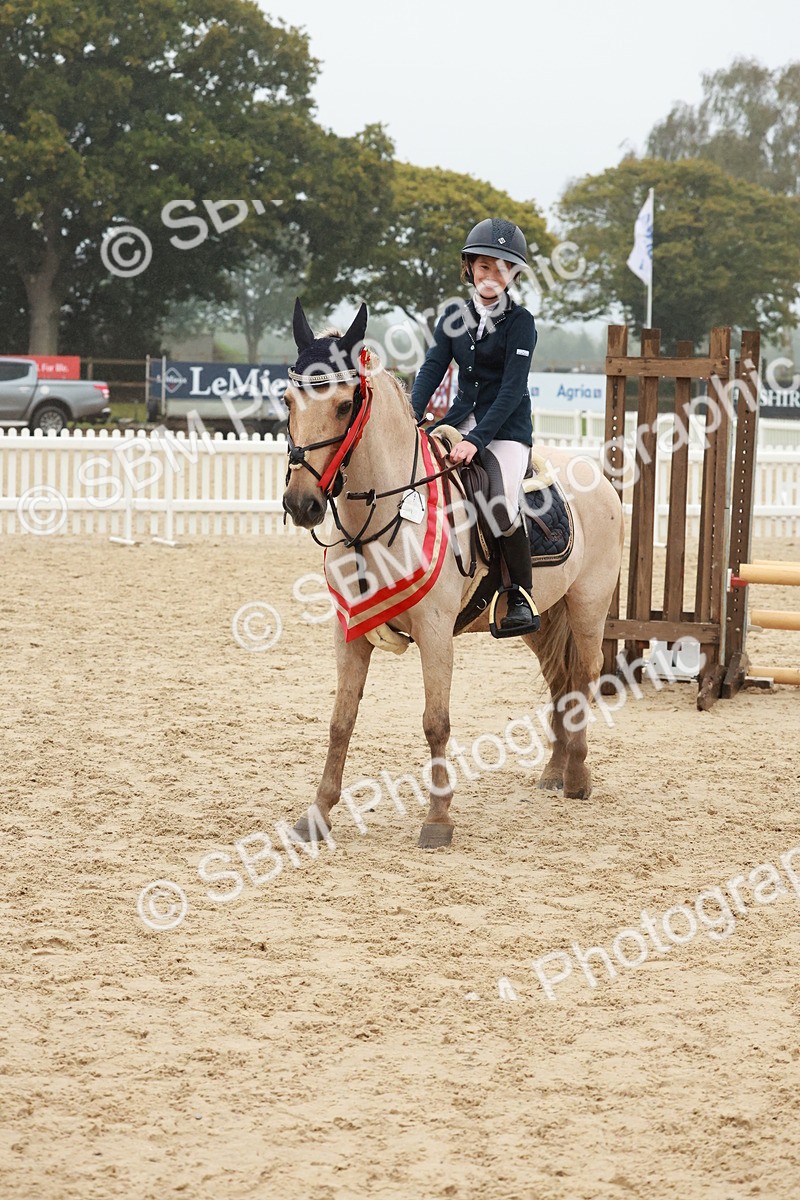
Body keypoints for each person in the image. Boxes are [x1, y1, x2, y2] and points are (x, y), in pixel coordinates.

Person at [411, 217, 538, 635]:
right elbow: (433, 368)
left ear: (513, 274)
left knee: (500, 503)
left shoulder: (521, 323)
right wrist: (413, 413)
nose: (492, 276)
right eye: (484, 266)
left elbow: (512, 389)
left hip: (505, 431)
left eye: (502, 269)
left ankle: (520, 594)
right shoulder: (453, 315)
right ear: (470, 268)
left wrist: (475, 441)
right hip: (459, 419)